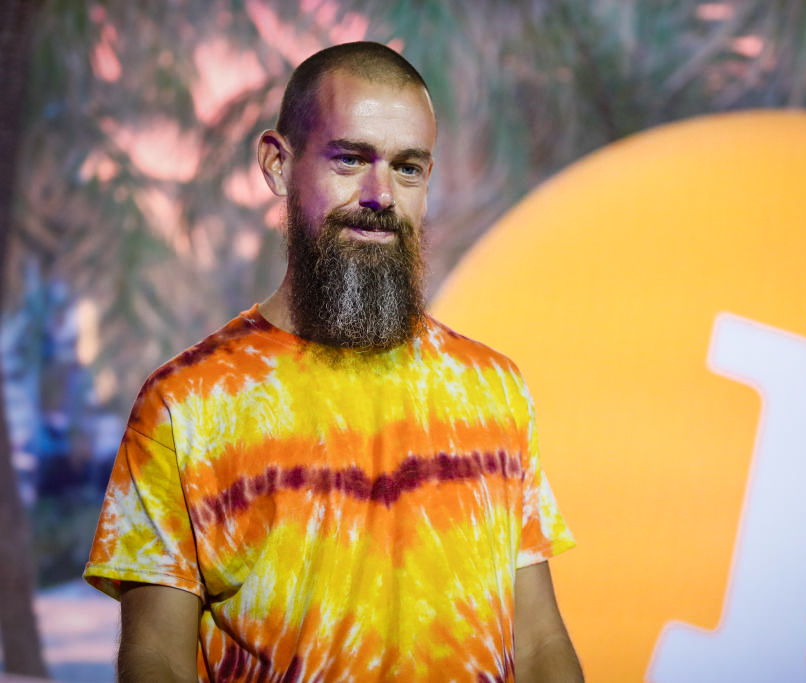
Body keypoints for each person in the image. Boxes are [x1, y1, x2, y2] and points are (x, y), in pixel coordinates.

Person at [84, 42, 583, 682]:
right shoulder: (186, 401)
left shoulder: (492, 388)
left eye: (407, 168)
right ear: (278, 164)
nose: (380, 194)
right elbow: (157, 656)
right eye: (350, 159)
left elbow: (539, 642)